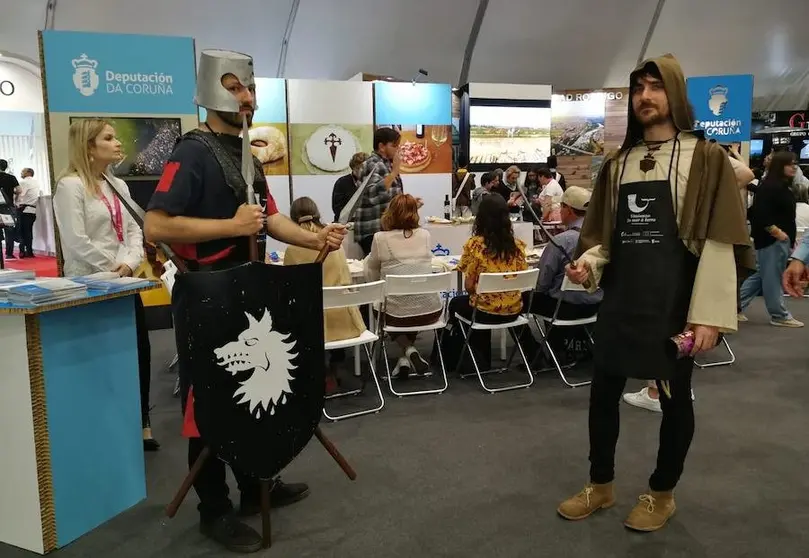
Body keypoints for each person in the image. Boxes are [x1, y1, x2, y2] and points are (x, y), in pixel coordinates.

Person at [143, 49, 346, 554]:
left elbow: (269, 219)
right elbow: (157, 224)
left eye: (247, 86)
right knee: (209, 402)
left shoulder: (249, 156)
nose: (244, 95)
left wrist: (314, 239)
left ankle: (259, 487)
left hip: (248, 293)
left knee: (254, 396)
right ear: (213, 91)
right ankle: (213, 507)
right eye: (233, 86)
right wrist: (229, 227)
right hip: (208, 294)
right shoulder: (191, 152)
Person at [557, 54, 753, 532]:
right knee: (602, 394)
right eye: (639, 88)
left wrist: (707, 315)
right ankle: (600, 484)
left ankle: (661, 493)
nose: (646, 96)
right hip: (623, 300)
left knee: (674, 398)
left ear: (676, 95)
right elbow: (605, 234)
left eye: (656, 87)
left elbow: (719, 239)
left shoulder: (705, 159)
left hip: (674, 302)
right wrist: (589, 265)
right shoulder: (617, 163)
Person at [52, 119, 160, 452]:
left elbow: (132, 231)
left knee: (138, 351)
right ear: (88, 146)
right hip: (90, 285)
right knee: (97, 357)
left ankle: (142, 422)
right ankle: (99, 426)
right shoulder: (70, 186)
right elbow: (75, 241)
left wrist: (129, 263)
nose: (118, 143)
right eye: (108, 138)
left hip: (124, 282)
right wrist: (112, 268)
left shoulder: (118, 186)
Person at [284, 197, 365, 393]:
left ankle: (322, 372)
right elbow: (346, 280)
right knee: (334, 311)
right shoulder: (334, 243)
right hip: (346, 323)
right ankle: (336, 368)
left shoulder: (292, 249)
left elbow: (289, 287)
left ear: (292, 219)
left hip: (312, 325)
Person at [444, 194, 528, 369]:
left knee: (456, 304)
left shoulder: (475, 246)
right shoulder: (518, 246)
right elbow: (523, 277)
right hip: (513, 308)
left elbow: (468, 286)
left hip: (483, 311)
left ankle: (471, 357)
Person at [364, 193, 442, 377]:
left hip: (396, 314)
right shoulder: (425, 235)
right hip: (430, 311)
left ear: (390, 213)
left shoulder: (380, 238)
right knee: (412, 302)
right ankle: (405, 358)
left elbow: (372, 272)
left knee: (385, 306)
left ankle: (408, 350)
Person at [737, 151, 803, 327]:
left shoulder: (781, 186)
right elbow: (760, 214)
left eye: (795, 163)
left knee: (761, 275)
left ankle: (734, 308)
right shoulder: (770, 187)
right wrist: (777, 233)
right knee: (772, 278)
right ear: (780, 166)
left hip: (779, 240)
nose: (794, 167)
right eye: (790, 164)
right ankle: (779, 315)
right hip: (771, 240)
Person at [531, 186, 602, 320]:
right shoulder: (603, 238)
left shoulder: (561, 241)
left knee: (519, 299)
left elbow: (542, 282)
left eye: (560, 206)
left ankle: (527, 340)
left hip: (564, 308)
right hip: (595, 306)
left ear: (568, 210)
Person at [354, 127, 403, 256]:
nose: (397, 150)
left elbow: (390, 194)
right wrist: (394, 172)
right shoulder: (373, 163)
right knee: (377, 272)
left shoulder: (385, 164)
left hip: (384, 229)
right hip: (373, 229)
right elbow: (373, 194)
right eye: (394, 146)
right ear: (382, 146)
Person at [331, 152, 368, 222]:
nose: (360, 171)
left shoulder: (371, 181)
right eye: (357, 168)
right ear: (352, 167)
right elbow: (337, 208)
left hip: (366, 222)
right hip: (345, 222)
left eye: (363, 168)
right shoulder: (341, 182)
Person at [15, 168, 41, 258]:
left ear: (28, 173)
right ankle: (29, 251)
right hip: (32, 210)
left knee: (21, 231)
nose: (21, 173)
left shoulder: (24, 182)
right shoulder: (36, 183)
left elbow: (20, 194)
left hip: (24, 209)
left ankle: (22, 251)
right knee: (29, 232)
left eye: (23, 171)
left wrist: (15, 201)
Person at [0, 158, 19, 259]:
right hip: (8, 206)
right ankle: (9, 253)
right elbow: (19, 190)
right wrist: (13, 194)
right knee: (9, 230)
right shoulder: (11, 177)